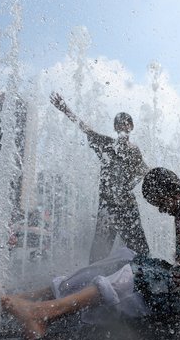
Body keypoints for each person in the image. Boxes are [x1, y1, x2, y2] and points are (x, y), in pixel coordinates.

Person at [0, 167, 180, 340]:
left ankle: (45, 311)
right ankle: (30, 297)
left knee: (135, 272)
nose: (161, 210)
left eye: (160, 202)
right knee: (124, 255)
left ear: (170, 191)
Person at [50, 93, 149, 263]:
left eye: (125, 122)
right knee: (98, 253)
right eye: (118, 123)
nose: (121, 126)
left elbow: (146, 172)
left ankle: (139, 281)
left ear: (131, 126)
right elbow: (86, 128)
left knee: (141, 251)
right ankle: (92, 282)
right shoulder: (107, 144)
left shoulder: (135, 151)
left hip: (127, 206)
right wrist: (66, 109)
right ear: (115, 128)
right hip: (108, 206)